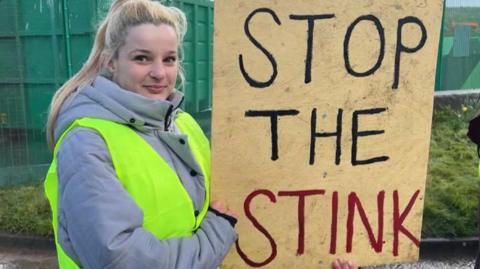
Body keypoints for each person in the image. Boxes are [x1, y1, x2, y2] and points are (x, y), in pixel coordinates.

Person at [43, 0, 357, 268]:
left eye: (169, 59)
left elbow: (229, 202)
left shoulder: (184, 125)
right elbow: (121, 259)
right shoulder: (86, 142)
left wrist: (315, 252)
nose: (159, 72)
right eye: (142, 58)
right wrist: (216, 234)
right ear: (110, 62)